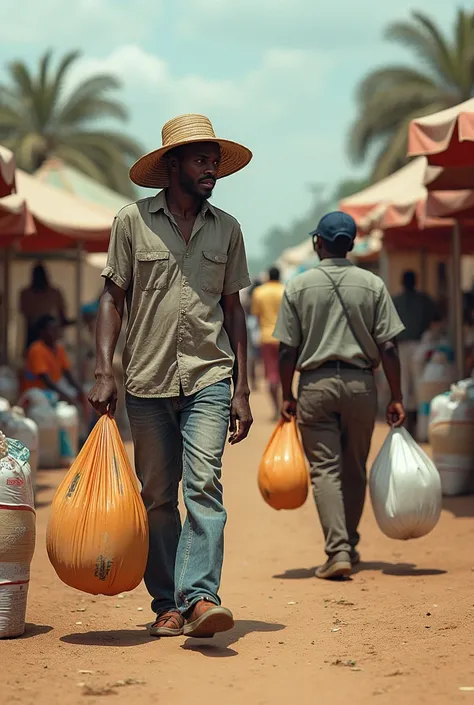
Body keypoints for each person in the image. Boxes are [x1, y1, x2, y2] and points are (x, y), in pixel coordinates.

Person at [89, 114, 253, 639]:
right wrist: (103, 370)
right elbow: (112, 298)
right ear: (173, 164)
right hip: (146, 381)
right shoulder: (131, 222)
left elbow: (234, 311)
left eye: (214, 161)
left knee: (204, 484)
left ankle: (202, 597)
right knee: (158, 496)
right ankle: (167, 602)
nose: (211, 170)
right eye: (202, 160)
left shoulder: (227, 229)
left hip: (209, 375)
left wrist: (243, 388)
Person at [274, 212, 406, 580]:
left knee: (325, 471)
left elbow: (286, 350)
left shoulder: (299, 286)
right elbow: (390, 347)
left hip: (315, 386)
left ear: (319, 243)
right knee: (353, 467)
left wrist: (286, 393)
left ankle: (337, 551)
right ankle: (349, 541)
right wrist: (396, 395)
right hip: (361, 385)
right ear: (350, 244)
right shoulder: (372, 284)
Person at [392, 271, 436, 435]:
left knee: (403, 386)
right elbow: (436, 318)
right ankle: (420, 428)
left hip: (402, 347)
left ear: (402, 282)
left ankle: (404, 427)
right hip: (420, 346)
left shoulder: (396, 301)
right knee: (419, 387)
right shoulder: (424, 300)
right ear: (415, 281)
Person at [23, 314, 86, 410]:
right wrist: (66, 397)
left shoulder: (58, 348)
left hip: (55, 388)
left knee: (83, 397)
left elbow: (67, 374)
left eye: (56, 330)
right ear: (42, 332)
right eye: (51, 330)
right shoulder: (36, 349)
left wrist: (80, 391)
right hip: (38, 391)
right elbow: (46, 381)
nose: (55, 333)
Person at [251, 267, 285, 419]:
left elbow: (256, 316)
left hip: (266, 337)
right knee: (286, 374)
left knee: (272, 375)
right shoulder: (286, 290)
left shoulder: (259, 292)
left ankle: (276, 408)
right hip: (285, 338)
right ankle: (286, 404)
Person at [19, 263, 70, 351]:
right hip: (33, 332)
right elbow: (24, 311)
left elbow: (62, 313)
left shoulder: (54, 293)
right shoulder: (26, 293)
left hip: (50, 333)